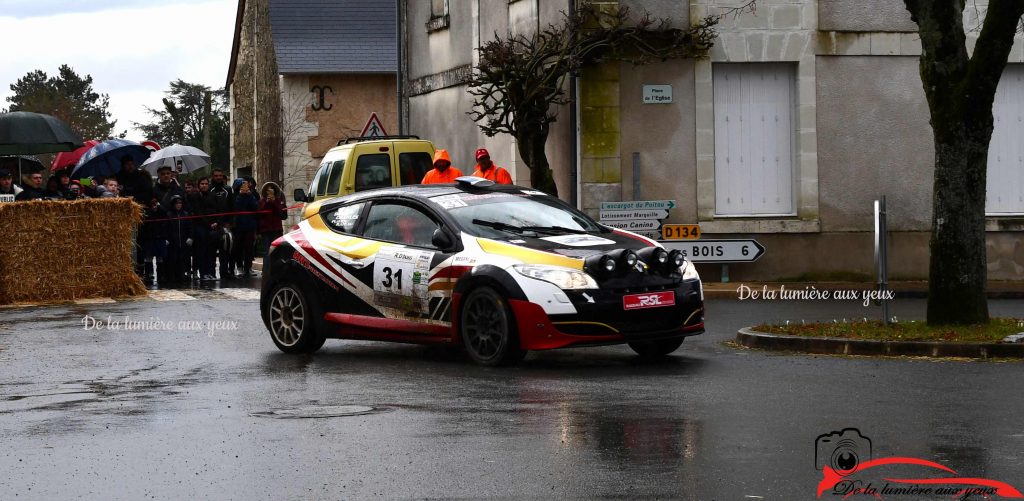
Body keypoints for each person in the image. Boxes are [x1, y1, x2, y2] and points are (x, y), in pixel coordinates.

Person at [203, 168, 234, 280]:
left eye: (220, 175)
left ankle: (224, 272)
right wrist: (210, 223)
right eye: (216, 176)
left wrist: (230, 223)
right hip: (212, 225)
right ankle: (211, 272)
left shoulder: (228, 189)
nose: (218, 177)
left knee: (225, 250)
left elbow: (232, 207)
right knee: (211, 250)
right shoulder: (209, 190)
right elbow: (206, 209)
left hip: (225, 225)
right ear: (212, 176)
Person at [164, 195, 193, 284]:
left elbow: (190, 227)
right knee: (172, 259)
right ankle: (172, 276)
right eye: (176, 203)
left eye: (180, 203)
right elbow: (166, 228)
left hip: (183, 242)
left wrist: (190, 237)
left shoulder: (185, 214)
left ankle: (181, 275)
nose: (178, 205)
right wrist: (166, 238)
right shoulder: (169, 215)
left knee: (182, 259)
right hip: (172, 242)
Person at [232, 181, 259, 277]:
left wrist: (250, 195)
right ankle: (239, 267)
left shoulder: (252, 196)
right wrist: (241, 195)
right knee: (238, 247)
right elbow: (237, 207)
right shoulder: (236, 196)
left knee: (249, 248)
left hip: (250, 225)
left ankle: (248, 267)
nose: (245, 187)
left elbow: (255, 207)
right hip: (239, 226)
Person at [258, 182, 287, 261]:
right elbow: (259, 215)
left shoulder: (279, 201)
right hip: (266, 231)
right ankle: (266, 272)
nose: (269, 192)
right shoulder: (261, 201)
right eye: (268, 190)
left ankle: (276, 272)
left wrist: (274, 202)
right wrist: (267, 202)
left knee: (277, 251)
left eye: (271, 190)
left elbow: (283, 215)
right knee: (266, 252)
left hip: (277, 230)